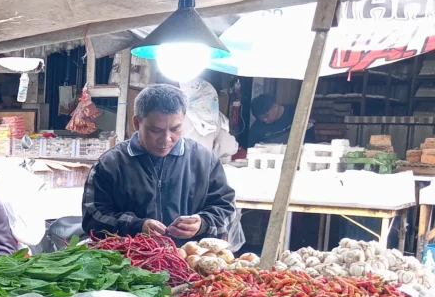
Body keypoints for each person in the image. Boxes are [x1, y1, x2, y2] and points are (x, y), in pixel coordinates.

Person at [82, 84, 236, 244]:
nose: (166, 139)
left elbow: (226, 209)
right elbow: (92, 217)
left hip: (187, 263)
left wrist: (202, 223)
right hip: (128, 263)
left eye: (175, 129)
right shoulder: (110, 164)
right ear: (136, 123)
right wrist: (136, 226)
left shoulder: (204, 161)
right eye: (156, 130)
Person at [248, 93, 314, 145]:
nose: (265, 120)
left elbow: (309, 140)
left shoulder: (297, 114)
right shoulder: (257, 126)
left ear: (275, 107)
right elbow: (250, 145)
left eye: (266, 116)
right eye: (261, 118)